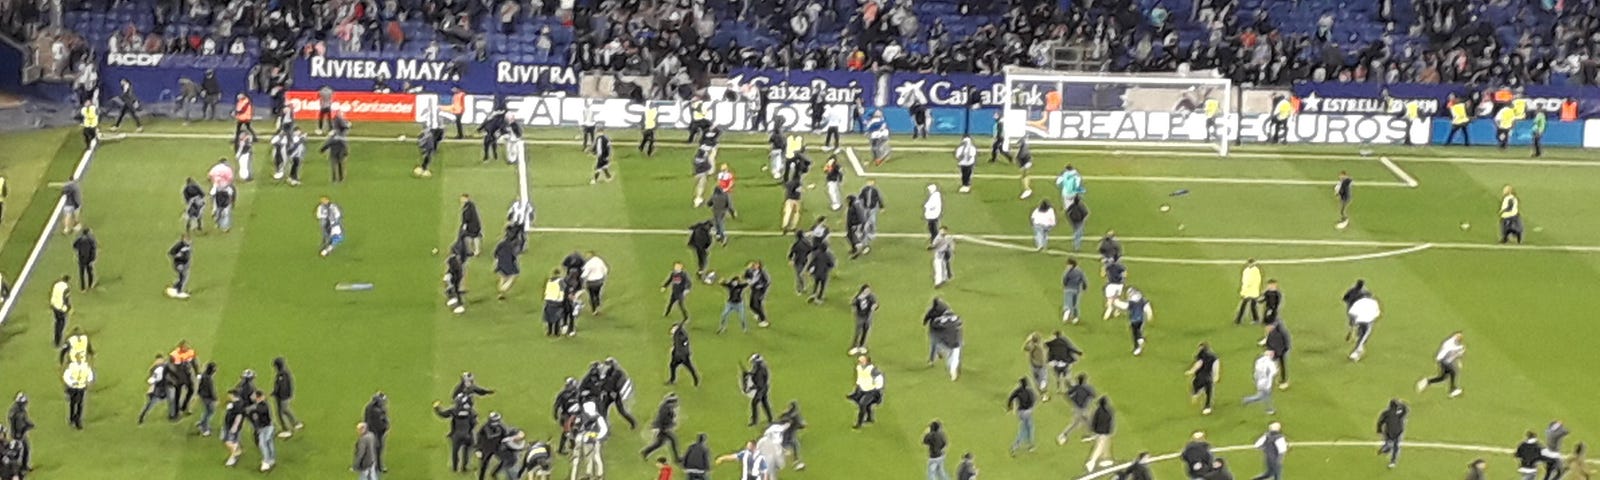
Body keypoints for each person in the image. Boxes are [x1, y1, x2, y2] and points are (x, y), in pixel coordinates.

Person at [1417, 331, 1466, 398]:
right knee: (1453, 371)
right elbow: (1451, 349)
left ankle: (1428, 381)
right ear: (1455, 336)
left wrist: (1459, 358)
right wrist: (1460, 348)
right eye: (1458, 337)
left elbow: (1456, 354)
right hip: (1442, 360)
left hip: (1444, 361)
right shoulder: (1449, 342)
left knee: (1442, 378)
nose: (1460, 339)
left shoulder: (1456, 343)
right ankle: (1452, 390)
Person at [1057, 374, 1097, 443]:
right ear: (1085, 380)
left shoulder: (1076, 387)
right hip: (1084, 408)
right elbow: (1094, 395)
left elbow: (1067, 394)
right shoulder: (1087, 388)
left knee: (1077, 423)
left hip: (1077, 408)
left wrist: (1073, 400)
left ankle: (1064, 434)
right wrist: (1088, 399)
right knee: (1086, 421)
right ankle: (1091, 434)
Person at [639, 393, 680, 461]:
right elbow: (663, 419)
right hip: (663, 428)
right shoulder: (666, 409)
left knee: (659, 443)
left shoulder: (666, 407)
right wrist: (666, 427)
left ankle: (645, 452)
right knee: (673, 440)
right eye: (675, 402)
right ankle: (677, 458)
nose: (676, 404)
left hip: (663, 428)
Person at [1115, 288, 1154, 355]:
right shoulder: (1142, 301)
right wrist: (1150, 315)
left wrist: (1116, 302)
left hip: (1133, 320)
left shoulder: (1131, 303)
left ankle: (1138, 345)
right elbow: (1147, 308)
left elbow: (1124, 306)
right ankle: (1139, 341)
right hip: (1141, 319)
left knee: (1135, 333)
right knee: (1138, 329)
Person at [271, 357, 304, 438]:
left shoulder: (281, 375)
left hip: (282, 397)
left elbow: (281, 387)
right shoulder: (286, 373)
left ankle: (286, 429)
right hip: (285, 396)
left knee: (281, 412)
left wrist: (275, 393)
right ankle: (295, 423)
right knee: (285, 410)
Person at [1044, 332, 1084, 396]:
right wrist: (1078, 353)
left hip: (1056, 363)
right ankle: (1068, 389)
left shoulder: (1051, 343)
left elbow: (1044, 344)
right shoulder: (1064, 341)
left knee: (1057, 377)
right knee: (1066, 376)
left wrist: (1051, 339)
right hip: (1065, 362)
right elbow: (1070, 348)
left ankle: (1058, 389)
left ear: (1054, 335)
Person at [1186, 342, 1221, 415]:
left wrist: (1191, 371)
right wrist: (1216, 376)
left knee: (1195, 384)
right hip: (1209, 379)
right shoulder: (1214, 356)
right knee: (1209, 392)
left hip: (1200, 377)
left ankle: (1195, 394)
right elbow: (1216, 365)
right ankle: (1207, 407)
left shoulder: (1201, 354)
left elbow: (1199, 364)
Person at [137, 354, 173, 424]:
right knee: (150, 405)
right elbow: (152, 379)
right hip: (158, 391)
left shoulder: (165, 367)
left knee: (172, 401)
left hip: (164, 389)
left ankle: (172, 415)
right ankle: (142, 417)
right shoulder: (158, 369)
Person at [1241, 350, 1279, 415]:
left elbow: (1256, 373)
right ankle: (1246, 400)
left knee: (1265, 396)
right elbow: (1273, 372)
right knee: (1261, 396)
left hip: (1259, 381)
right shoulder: (1270, 362)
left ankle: (1269, 409)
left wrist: (1255, 380)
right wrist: (1277, 369)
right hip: (1267, 383)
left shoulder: (1259, 361)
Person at [1006, 377, 1038, 455]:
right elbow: (1034, 400)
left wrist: (1009, 407)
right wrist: (1032, 408)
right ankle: (1018, 446)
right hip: (1027, 412)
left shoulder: (1018, 390)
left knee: (1027, 428)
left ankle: (1029, 445)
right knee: (1026, 429)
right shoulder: (1029, 391)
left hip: (1020, 412)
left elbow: (1011, 397)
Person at [1085, 396, 1116, 471]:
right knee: (1100, 446)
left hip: (1099, 431)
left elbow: (1094, 422)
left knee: (1105, 444)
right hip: (1105, 432)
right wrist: (1110, 431)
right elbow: (1111, 422)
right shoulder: (1110, 410)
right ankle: (1092, 461)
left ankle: (1105, 459)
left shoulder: (1098, 411)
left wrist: (1093, 431)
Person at [248, 390, 276, 471]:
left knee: (263, 445)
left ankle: (266, 462)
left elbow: (256, 418)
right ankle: (272, 459)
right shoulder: (265, 404)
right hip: (269, 426)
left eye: (254, 395)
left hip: (263, 428)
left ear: (258, 397)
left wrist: (257, 429)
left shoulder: (257, 408)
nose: (252, 397)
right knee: (269, 443)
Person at [1376, 398, 1409, 468]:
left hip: (1389, 432)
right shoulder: (1399, 413)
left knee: (1389, 441)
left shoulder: (1386, 413)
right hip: (1398, 432)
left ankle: (1387, 447)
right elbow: (1406, 410)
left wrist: (1379, 429)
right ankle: (1393, 461)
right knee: (1396, 446)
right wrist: (1402, 404)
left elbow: (1380, 421)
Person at [1348, 294, 1381, 361]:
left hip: (1359, 321)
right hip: (1367, 321)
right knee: (1363, 336)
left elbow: (1351, 313)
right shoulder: (1373, 303)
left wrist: (1352, 327)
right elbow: (1377, 313)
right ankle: (1357, 352)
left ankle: (1357, 351)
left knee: (1361, 335)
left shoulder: (1359, 302)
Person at [62, 358, 92, 429]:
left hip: (81, 387)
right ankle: (72, 418)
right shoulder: (72, 366)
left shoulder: (85, 366)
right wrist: (72, 383)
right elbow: (66, 376)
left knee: (79, 403)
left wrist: (88, 381)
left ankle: (77, 419)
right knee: (73, 403)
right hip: (73, 387)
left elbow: (90, 375)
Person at [743, 354, 773, 426]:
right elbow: (754, 374)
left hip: (761, 388)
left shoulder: (760, 368)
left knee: (754, 403)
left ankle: (755, 421)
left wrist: (752, 386)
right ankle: (770, 418)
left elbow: (758, 379)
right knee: (765, 403)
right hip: (763, 387)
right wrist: (748, 374)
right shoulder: (760, 367)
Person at [849, 285, 879, 355]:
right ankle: (854, 346)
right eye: (866, 290)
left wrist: (875, 306)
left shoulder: (871, 297)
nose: (867, 292)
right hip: (860, 316)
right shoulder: (858, 297)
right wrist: (854, 310)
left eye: (868, 290)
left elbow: (875, 304)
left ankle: (862, 346)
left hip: (868, 316)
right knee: (858, 332)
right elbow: (853, 304)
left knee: (865, 331)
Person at [320, 119, 349, 183]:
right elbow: (345, 145)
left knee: (334, 166)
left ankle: (334, 179)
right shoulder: (341, 137)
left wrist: (322, 149)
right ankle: (340, 179)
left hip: (334, 153)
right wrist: (346, 152)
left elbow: (328, 144)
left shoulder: (333, 138)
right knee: (339, 166)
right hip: (339, 153)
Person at [7, 393, 31, 472]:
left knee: (26, 449)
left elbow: (25, 420)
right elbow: (18, 424)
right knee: (16, 452)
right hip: (17, 435)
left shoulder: (21, 410)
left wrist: (29, 424)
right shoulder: (15, 412)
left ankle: (24, 466)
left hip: (21, 433)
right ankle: (15, 469)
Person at [1264, 322, 1291, 390]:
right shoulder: (1272, 332)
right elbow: (1268, 342)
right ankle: (1275, 380)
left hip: (1280, 351)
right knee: (1273, 365)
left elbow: (1286, 341)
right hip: (1275, 351)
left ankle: (1283, 380)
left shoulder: (1280, 332)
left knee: (1280, 366)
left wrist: (1285, 349)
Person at [745, 261, 773, 327]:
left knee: (756, 304)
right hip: (754, 289)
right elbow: (746, 276)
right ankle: (758, 315)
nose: (755, 265)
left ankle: (764, 320)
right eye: (754, 264)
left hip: (760, 290)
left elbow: (768, 281)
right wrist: (747, 269)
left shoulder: (762, 272)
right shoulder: (751, 271)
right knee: (751, 305)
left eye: (757, 264)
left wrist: (763, 288)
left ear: (759, 265)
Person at [492, 234, 519, 300]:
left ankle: (500, 294)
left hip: (500, 263)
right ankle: (502, 289)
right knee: (512, 276)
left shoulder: (501, 243)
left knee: (502, 277)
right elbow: (513, 256)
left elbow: (495, 253)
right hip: (507, 263)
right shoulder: (512, 246)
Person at [1101, 254, 1127, 321]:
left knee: (1110, 302)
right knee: (1116, 300)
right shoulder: (1121, 266)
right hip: (1119, 285)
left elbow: (1102, 275)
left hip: (1111, 285)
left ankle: (1106, 316)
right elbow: (1125, 275)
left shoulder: (1108, 266)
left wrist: (1104, 268)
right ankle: (1118, 312)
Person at [166, 234, 193, 299]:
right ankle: (178, 291)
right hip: (179, 263)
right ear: (183, 239)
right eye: (187, 239)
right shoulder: (179, 245)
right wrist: (178, 255)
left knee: (184, 277)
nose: (189, 241)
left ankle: (175, 287)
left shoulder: (188, 245)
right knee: (182, 276)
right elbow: (170, 253)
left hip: (185, 263)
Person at [1236, 259, 1262, 324]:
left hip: (1252, 291)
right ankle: (1239, 320)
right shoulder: (1246, 270)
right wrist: (1243, 290)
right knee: (1245, 305)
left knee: (1251, 305)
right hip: (1248, 291)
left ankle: (1255, 319)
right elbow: (1244, 281)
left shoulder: (1255, 271)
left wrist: (1244, 290)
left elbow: (1253, 281)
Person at [196, 362, 218, 436]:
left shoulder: (203, 375)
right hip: (208, 398)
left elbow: (200, 386)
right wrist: (215, 399)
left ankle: (202, 423)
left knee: (207, 412)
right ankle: (205, 429)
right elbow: (211, 390)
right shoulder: (209, 379)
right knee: (209, 413)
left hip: (203, 396)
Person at [49, 275, 70, 346]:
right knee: (61, 324)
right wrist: (68, 307)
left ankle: (56, 340)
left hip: (54, 306)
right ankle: (59, 341)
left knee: (57, 322)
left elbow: (52, 294)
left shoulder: (56, 284)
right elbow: (65, 298)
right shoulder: (66, 287)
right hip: (61, 308)